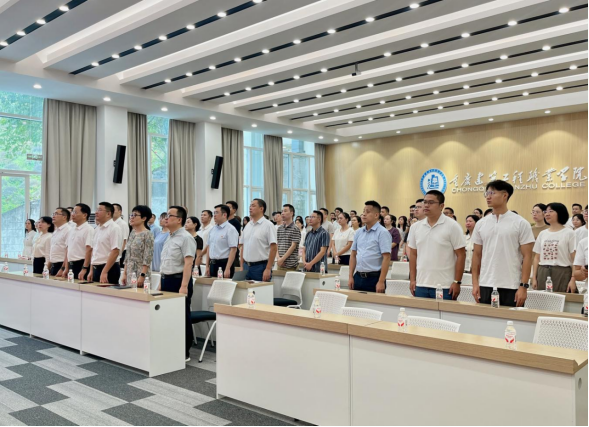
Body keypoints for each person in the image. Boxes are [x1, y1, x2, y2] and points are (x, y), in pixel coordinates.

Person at [472, 181, 535, 307]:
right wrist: (475, 283)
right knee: (485, 318)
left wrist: (523, 286)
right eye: (486, 193)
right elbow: (477, 255)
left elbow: (528, 257)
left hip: (511, 284)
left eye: (492, 193)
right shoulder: (481, 223)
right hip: (486, 283)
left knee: (511, 319)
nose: (488, 197)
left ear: (505, 195)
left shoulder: (520, 223)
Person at [408, 191, 466, 300]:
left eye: (431, 202)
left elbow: (461, 255)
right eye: (425, 202)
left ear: (441, 206)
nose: (426, 205)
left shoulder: (452, 226)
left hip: (445, 286)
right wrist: (412, 279)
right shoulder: (415, 227)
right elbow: (413, 255)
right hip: (421, 284)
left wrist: (457, 282)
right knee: (420, 311)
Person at [160, 206, 196, 361]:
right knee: (168, 316)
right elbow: (166, 261)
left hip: (179, 281)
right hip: (166, 280)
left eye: (170, 215)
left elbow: (188, 263)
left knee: (181, 316)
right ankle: (171, 347)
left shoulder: (186, 238)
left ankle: (184, 351)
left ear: (179, 219)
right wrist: (161, 282)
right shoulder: (169, 236)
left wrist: (184, 286)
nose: (166, 218)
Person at [532, 203, 577, 293]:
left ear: (560, 213)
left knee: (562, 298)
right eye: (545, 212)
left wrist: (573, 279)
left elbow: (574, 259)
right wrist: (534, 278)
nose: (547, 214)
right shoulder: (543, 233)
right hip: (542, 272)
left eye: (551, 211)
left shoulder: (569, 233)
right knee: (542, 299)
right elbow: (537, 258)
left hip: (562, 272)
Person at [349, 201, 392, 293]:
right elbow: (353, 254)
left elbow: (386, 257)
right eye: (363, 211)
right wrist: (350, 277)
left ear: (376, 215)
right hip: (358, 276)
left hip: (374, 278)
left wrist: (381, 281)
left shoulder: (383, 232)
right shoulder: (359, 232)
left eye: (368, 212)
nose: (364, 214)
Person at [241, 199, 277, 282]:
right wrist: (242, 266)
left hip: (260, 267)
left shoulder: (268, 225)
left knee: (261, 290)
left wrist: (268, 268)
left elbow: (274, 248)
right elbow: (243, 247)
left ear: (261, 209)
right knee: (246, 290)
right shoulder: (248, 225)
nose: (250, 208)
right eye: (250, 206)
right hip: (246, 266)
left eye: (253, 206)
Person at [59, 204, 94, 280]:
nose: (72, 214)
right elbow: (68, 249)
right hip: (71, 265)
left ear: (84, 215)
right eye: (72, 212)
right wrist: (66, 268)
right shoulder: (72, 229)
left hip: (81, 264)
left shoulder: (89, 229)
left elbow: (89, 250)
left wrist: (84, 268)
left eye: (75, 212)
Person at [122, 206, 155, 288]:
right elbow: (128, 255)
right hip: (130, 271)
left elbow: (148, 256)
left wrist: (142, 275)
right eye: (131, 215)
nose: (131, 217)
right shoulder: (132, 232)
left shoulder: (148, 234)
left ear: (144, 218)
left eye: (135, 215)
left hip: (141, 272)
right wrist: (124, 273)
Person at [89, 202, 121, 284]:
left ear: (108, 214)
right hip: (96, 267)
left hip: (109, 268)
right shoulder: (97, 229)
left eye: (99, 210)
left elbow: (115, 251)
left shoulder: (114, 228)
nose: (96, 212)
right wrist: (91, 270)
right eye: (96, 210)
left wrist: (104, 271)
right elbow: (94, 251)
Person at [206, 205, 239, 279]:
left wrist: (228, 268)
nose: (214, 215)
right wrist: (207, 266)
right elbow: (209, 247)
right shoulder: (212, 229)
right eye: (214, 213)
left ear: (224, 215)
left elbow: (233, 250)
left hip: (224, 264)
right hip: (212, 264)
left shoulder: (230, 229)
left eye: (217, 213)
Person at [277, 204, 301, 271]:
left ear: (291, 213)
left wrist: (282, 259)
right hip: (279, 264)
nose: (282, 213)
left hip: (291, 265)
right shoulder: (280, 228)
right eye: (282, 211)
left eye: (285, 211)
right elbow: (276, 245)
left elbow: (293, 246)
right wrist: (278, 258)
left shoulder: (295, 228)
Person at [49, 207, 72, 276]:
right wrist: (49, 267)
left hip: (62, 265)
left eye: (56, 214)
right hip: (53, 264)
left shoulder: (69, 230)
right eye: (53, 214)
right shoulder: (56, 231)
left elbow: (69, 251)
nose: (53, 216)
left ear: (64, 217)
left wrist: (63, 268)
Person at [226, 201, 242, 269]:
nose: (226, 209)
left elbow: (234, 239)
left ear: (234, 210)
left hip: (232, 251)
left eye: (229, 207)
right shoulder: (224, 222)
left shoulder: (236, 222)